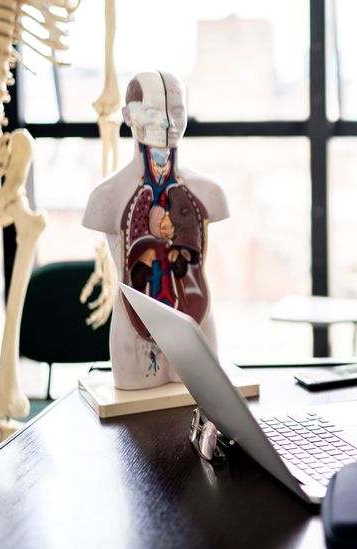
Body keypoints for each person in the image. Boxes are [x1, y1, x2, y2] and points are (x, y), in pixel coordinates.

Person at [83, 70, 228, 390]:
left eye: (177, 113)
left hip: (196, 322)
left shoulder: (209, 192)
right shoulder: (106, 197)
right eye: (154, 113)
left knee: (203, 411)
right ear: (129, 117)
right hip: (133, 332)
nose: (168, 125)